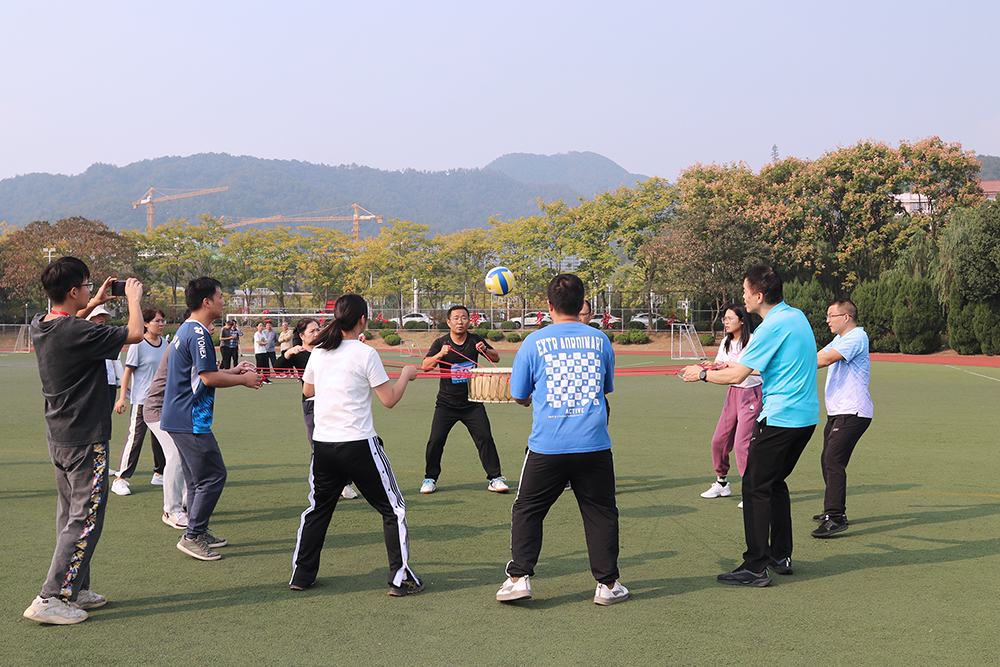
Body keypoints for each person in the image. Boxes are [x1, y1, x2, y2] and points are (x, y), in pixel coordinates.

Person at [23, 258, 144, 625]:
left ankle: (74, 589)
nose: (92, 291)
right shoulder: (79, 331)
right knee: (86, 517)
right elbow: (135, 334)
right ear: (74, 291)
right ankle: (51, 597)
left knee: (69, 514)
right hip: (85, 436)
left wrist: (93, 302)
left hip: (60, 435)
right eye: (88, 286)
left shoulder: (40, 324)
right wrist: (133, 298)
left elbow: (68, 319)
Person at [682, 265, 818, 587]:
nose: (742, 296)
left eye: (745, 291)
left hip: (780, 419)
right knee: (774, 482)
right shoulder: (796, 316)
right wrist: (724, 366)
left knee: (755, 487)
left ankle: (756, 566)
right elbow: (764, 366)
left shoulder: (771, 326)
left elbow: (738, 376)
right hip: (805, 418)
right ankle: (780, 556)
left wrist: (701, 374)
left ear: (758, 296)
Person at [497, 274, 628, 606]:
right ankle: (607, 585)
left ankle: (519, 579)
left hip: (547, 446)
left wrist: (529, 399)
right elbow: (606, 388)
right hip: (594, 445)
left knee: (527, 510)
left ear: (548, 305)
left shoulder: (533, 342)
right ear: (582, 303)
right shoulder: (600, 340)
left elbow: (519, 394)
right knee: (601, 513)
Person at [289, 294, 422, 596]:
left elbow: (308, 390)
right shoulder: (365, 353)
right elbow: (389, 399)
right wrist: (405, 375)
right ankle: (400, 579)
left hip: (324, 445)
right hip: (359, 444)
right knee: (394, 510)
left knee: (318, 510)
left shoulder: (319, 351)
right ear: (362, 320)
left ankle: (302, 575)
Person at [162, 277, 262, 561]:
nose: (223, 301)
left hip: (181, 416)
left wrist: (234, 371)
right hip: (189, 418)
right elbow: (208, 378)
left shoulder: (187, 328)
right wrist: (243, 380)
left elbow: (201, 374)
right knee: (214, 475)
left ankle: (198, 530)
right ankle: (192, 536)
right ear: (206, 302)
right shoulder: (198, 332)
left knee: (197, 480)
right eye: (220, 296)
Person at [420, 305, 507, 494]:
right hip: (446, 403)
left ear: (469, 321)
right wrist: (440, 354)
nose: (460, 321)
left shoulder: (475, 340)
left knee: (485, 437)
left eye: (464, 317)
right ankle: (430, 478)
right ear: (449, 322)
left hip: (472, 402)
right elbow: (425, 366)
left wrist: (484, 349)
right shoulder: (440, 343)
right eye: (456, 318)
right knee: (436, 439)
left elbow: (496, 358)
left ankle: (495, 478)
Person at [276, 317, 359, 500]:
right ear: (302, 336)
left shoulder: (327, 350)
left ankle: (345, 484)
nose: (316, 333)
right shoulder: (299, 353)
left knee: (342, 444)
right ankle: (320, 486)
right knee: (319, 448)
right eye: (311, 331)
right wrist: (288, 353)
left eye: (318, 329)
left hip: (335, 402)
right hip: (312, 404)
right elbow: (277, 369)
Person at [812, 298, 873, 538]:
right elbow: (818, 354)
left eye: (831, 315)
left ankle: (835, 517)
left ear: (846, 317)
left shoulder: (856, 337)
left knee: (833, 460)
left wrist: (792, 364)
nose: (827, 320)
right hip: (838, 412)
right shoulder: (840, 338)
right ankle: (836, 511)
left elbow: (824, 360)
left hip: (853, 411)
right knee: (827, 459)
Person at [699, 305, 762, 509]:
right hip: (732, 394)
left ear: (742, 320)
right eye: (724, 319)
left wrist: (733, 367)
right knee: (718, 441)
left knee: (742, 444)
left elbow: (760, 370)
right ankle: (722, 483)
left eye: (729, 318)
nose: (725, 322)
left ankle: (751, 491)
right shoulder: (726, 341)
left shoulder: (753, 341)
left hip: (751, 395)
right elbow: (720, 363)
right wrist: (711, 367)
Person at [111, 308, 168, 496]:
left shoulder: (166, 344)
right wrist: (122, 398)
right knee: (135, 438)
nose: (161, 324)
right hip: (142, 400)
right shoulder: (138, 345)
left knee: (160, 438)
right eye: (157, 321)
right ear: (145, 323)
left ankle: (159, 473)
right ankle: (120, 478)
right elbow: (127, 372)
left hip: (162, 400)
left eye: (162, 320)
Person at [87, 305, 125, 409]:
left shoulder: (108, 335)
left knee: (107, 414)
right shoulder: (84, 337)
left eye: (103, 315)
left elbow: (116, 361)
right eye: (97, 315)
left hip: (110, 382)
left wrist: (121, 382)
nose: (101, 318)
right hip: (93, 384)